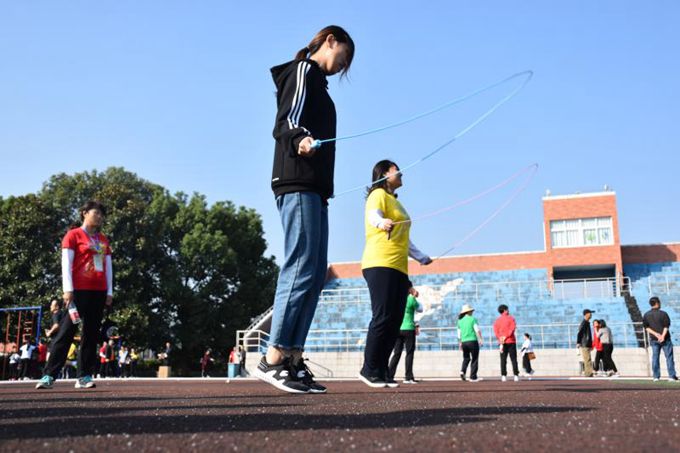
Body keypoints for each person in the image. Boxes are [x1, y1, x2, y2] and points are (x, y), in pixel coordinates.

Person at [254, 25, 355, 395]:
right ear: (330, 41)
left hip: (316, 188)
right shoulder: (302, 71)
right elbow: (286, 119)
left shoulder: (321, 86)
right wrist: (299, 139)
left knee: (314, 272)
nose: (343, 65)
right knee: (300, 264)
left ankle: (293, 357)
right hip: (296, 181)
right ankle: (273, 356)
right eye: (344, 56)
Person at [358, 160, 432, 389]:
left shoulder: (397, 203)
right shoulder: (377, 194)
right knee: (382, 316)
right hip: (380, 262)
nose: (400, 173)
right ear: (383, 173)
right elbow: (373, 215)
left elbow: (404, 240)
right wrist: (381, 222)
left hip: (399, 268)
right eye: (395, 169)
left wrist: (421, 257)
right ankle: (369, 369)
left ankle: (382, 371)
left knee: (394, 321)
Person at [36, 200, 113, 390]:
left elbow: (108, 267)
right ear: (85, 213)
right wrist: (67, 289)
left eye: (102, 214)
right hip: (78, 291)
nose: (99, 217)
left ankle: (84, 376)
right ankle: (49, 375)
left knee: (91, 334)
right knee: (66, 331)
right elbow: (66, 263)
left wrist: (109, 291)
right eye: (96, 212)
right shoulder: (73, 235)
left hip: (99, 291)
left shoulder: (103, 239)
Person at [388, 292, 423, 384]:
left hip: (398, 328)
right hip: (409, 329)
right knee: (409, 353)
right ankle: (408, 377)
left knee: (396, 353)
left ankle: (389, 376)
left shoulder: (396, 299)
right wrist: (414, 297)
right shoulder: (411, 299)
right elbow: (420, 309)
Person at [643, 297, 678, 382]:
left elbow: (646, 327)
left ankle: (656, 376)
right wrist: (662, 336)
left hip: (654, 339)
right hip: (665, 339)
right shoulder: (663, 314)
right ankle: (671, 376)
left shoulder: (646, 315)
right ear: (657, 303)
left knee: (655, 357)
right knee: (669, 357)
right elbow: (666, 326)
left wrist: (656, 334)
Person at [494, 304, 520, 382]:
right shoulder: (511, 318)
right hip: (511, 341)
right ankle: (516, 375)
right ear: (505, 310)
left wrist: (500, 338)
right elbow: (512, 329)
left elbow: (496, 331)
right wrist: (506, 336)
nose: (508, 311)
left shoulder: (497, 320)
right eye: (507, 309)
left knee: (503, 360)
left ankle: (503, 376)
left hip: (502, 342)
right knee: (513, 359)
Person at [457, 304, 483, 382]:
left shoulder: (460, 321)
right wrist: (480, 339)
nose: (472, 312)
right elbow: (477, 330)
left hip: (464, 342)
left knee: (466, 358)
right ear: (468, 312)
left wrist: (460, 343)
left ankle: (462, 371)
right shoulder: (472, 319)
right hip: (472, 341)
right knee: (474, 359)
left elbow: (459, 334)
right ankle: (473, 377)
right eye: (471, 311)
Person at [576, 309, 595, 378]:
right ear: (586, 314)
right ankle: (588, 373)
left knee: (588, 358)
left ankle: (589, 373)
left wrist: (590, 344)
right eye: (590, 313)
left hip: (587, 343)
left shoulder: (587, 322)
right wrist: (578, 342)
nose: (591, 314)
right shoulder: (584, 323)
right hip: (584, 343)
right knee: (587, 359)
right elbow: (579, 333)